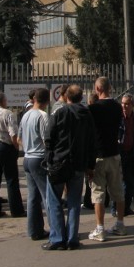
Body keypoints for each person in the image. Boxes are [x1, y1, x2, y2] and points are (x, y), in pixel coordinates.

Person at [42, 85, 95, 251]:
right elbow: (92, 142)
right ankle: (72, 238)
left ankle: (57, 238)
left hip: (59, 162)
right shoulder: (87, 115)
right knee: (74, 202)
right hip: (78, 164)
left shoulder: (60, 113)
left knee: (54, 201)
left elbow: (49, 138)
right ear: (81, 98)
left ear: (66, 97)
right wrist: (90, 165)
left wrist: (49, 159)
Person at [88, 77, 127, 242]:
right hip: (114, 153)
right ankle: (120, 223)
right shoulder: (117, 107)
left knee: (98, 193)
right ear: (109, 88)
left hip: (98, 154)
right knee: (117, 191)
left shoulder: (93, 109)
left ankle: (100, 228)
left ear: (97, 89)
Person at [19, 87, 50, 241]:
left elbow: (20, 137)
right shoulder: (43, 116)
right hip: (39, 158)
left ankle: (34, 230)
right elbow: (47, 140)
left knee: (33, 197)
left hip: (27, 157)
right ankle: (56, 230)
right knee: (47, 196)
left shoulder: (26, 116)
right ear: (47, 100)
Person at [117, 93, 134, 216]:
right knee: (117, 183)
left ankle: (126, 207)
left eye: (127, 104)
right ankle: (115, 208)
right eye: (122, 103)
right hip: (119, 154)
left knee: (130, 183)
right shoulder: (118, 117)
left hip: (131, 154)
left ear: (132, 105)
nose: (124, 106)